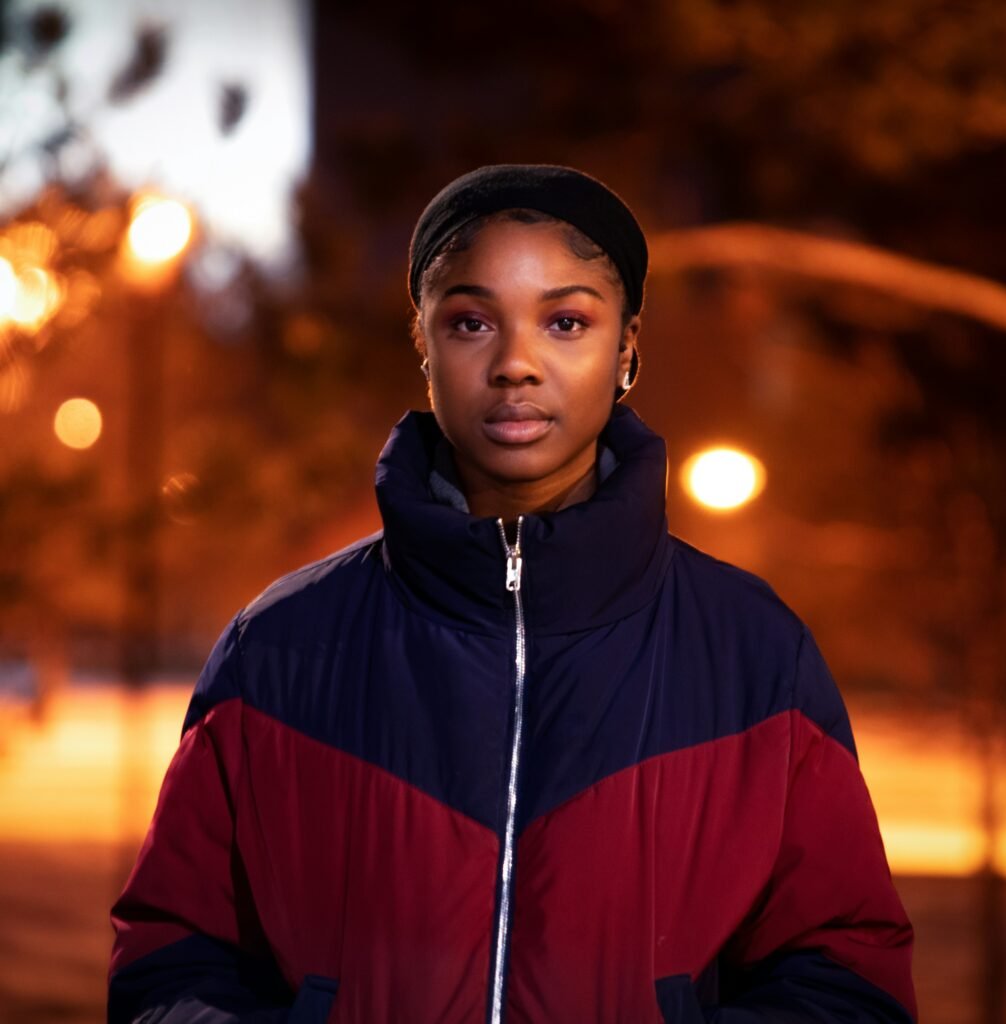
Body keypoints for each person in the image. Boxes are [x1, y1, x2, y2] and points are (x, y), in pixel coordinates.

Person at [108, 164, 916, 1023]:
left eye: (566, 321)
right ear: (423, 344)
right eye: (470, 322)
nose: (516, 364)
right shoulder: (279, 647)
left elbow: (845, 975)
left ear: (627, 347)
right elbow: (172, 956)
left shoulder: (755, 654)